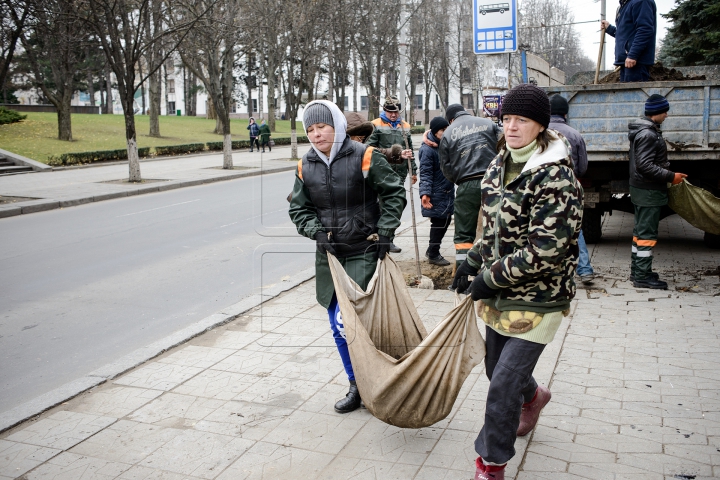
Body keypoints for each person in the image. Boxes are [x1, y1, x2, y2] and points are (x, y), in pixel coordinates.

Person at [451, 85, 583, 480]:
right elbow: (491, 229)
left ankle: (491, 464)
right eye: (506, 119)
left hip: (540, 297)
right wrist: (470, 261)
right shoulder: (499, 163)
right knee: (496, 368)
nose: (511, 127)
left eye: (520, 120)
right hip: (501, 293)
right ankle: (535, 396)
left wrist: (488, 278)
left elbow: (546, 251)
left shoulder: (556, 178)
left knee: (502, 385)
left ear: (540, 125)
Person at [288, 100, 407, 413]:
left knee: (353, 321)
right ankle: (357, 385)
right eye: (310, 129)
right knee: (336, 324)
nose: (316, 135)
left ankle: (381, 380)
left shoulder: (364, 156)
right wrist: (315, 231)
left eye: (322, 127)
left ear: (337, 126)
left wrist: (385, 233)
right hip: (329, 255)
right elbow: (299, 208)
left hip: (363, 249)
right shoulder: (305, 165)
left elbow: (394, 192)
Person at [430, 104, 501, 268]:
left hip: (466, 184)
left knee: (463, 233)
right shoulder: (488, 124)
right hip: (493, 181)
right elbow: (504, 148)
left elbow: (445, 167)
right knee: (496, 225)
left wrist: (460, 181)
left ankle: (464, 273)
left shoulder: (447, 133)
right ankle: (492, 268)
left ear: (451, 119)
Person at [628, 94, 686, 289]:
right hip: (648, 191)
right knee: (646, 235)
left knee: (639, 233)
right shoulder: (648, 134)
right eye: (664, 111)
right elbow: (644, 165)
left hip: (642, 189)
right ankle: (642, 276)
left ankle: (638, 271)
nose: (667, 115)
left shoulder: (645, 131)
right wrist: (671, 176)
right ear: (656, 113)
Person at [549, 95, 595, 284]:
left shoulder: (539, 133)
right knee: (575, 228)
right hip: (569, 189)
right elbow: (583, 167)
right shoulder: (574, 135)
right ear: (566, 113)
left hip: (541, 189)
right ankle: (584, 270)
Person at [366, 96, 416, 253]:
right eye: (390, 112)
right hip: (382, 173)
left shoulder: (405, 126)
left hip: (399, 173)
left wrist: (413, 171)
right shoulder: (375, 125)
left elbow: (410, 150)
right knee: (381, 207)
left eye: (395, 112)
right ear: (384, 111)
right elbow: (369, 148)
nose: (393, 115)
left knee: (396, 206)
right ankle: (380, 239)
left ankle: (389, 239)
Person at [419, 116, 454, 266]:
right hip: (436, 191)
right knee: (439, 222)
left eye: (447, 129)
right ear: (435, 131)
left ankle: (431, 250)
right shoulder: (427, 149)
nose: (445, 132)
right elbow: (425, 173)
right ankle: (433, 253)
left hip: (446, 189)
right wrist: (425, 193)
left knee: (444, 220)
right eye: (442, 130)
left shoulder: (444, 144)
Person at [601, 0, 657, 82]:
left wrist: (633, 55)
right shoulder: (626, 4)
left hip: (636, 63)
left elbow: (645, 30)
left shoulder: (640, 2)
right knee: (626, 94)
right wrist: (609, 29)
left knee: (634, 94)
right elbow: (626, 34)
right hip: (627, 62)